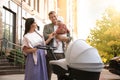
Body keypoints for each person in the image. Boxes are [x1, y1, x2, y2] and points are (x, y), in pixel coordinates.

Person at [43, 11, 72, 80]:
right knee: (48, 72)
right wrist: (52, 35)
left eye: (55, 16)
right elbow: (45, 36)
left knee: (61, 73)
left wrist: (66, 39)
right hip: (50, 52)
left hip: (61, 52)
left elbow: (69, 36)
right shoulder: (47, 26)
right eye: (51, 17)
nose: (53, 18)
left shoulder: (63, 25)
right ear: (49, 18)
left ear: (57, 16)